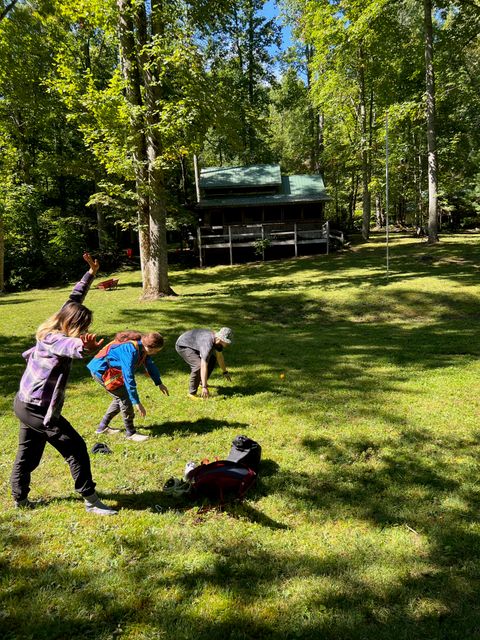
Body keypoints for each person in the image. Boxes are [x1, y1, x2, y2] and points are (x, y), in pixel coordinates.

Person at [11, 253, 117, 515]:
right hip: (37, 408)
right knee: (76, 449)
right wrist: (85, 346)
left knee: (29, 454)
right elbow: (70, 346)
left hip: (24, 402)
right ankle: (90, 499)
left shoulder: (58, 319)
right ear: (72, 325)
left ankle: (19, 498)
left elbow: (74, 299)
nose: (82, 331)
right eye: (81, 328)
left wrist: (90, 274)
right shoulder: (55, 339)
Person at [87, 330, 169, 442]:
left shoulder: (142, 347)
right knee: (125, 400)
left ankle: (102, 427)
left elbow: (150, 364)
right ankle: (130, 433)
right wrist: (136, 402)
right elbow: (128, 377)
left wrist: (159, 383)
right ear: (150, 347)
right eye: (156, 351)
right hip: (101, 370)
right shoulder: (130, 351)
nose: (156, 353)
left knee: (120, 398)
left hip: (111, 371)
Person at [175, 327, 233, 399]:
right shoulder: (207, 343)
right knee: (198, 366)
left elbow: (219, 357)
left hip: (195, 344)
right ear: (220, 339)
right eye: (226, 342)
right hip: (183, 345)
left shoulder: (218, 343)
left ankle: (201, 382)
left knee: (212, 359)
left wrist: (225, 372)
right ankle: (192, 393)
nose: (227, 344)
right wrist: (204, 387)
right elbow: (203, 365)